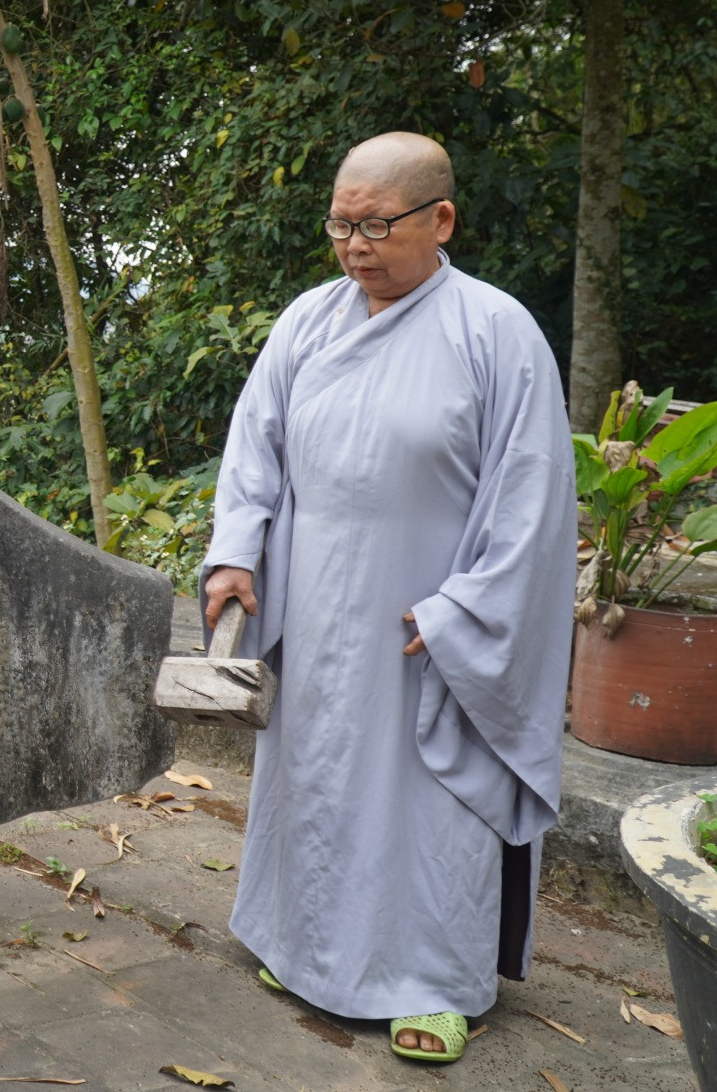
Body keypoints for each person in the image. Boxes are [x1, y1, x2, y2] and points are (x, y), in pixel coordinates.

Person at [199, 131, 576, 1064]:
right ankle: (307, 951)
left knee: (426, 801)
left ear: (438, 219)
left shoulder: (494, 331)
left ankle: (434, 982)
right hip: (319, 611)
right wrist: (235, 553)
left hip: (429, 625)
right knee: (319, 780)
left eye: (376, 224)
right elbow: (256, 449)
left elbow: (532, 499)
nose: (355, 244)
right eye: (340, 224)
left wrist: (462, 611)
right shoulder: (308, 322)